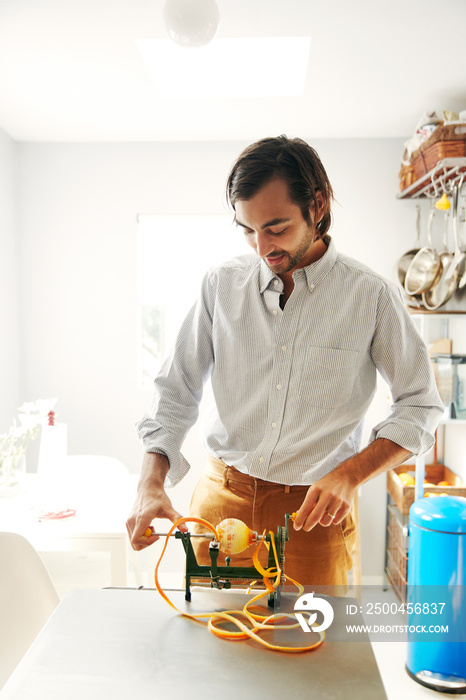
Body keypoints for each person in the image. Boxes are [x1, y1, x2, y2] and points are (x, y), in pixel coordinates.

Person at [126, 135, 443, 588]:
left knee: (309, 652)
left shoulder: (371, 296)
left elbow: (421, 406)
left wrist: (349, 476)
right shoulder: (220, 286)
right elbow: (176, 391)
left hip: (313, 518)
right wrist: (149, 483)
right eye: (248, 230)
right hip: (221, 504)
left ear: (316, 205)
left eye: (276, 228)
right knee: (211, 651)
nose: (262, 247)